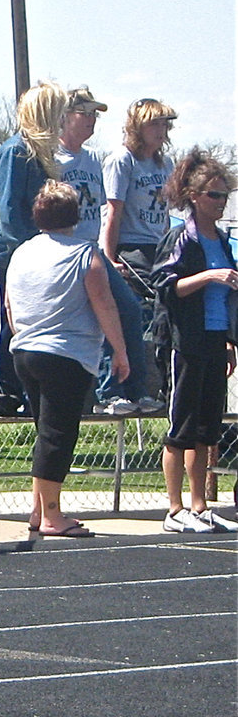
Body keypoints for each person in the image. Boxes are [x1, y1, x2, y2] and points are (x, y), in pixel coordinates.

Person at [6, 180, 130, 537]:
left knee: (44, 431)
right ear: (76, 215)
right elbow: (104, 304)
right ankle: (52, 515)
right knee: (59, 434)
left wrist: (23, 336)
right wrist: (120, 351)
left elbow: (10, 306)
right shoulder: (84, 254)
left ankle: (37, 509)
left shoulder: (22, 252)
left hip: (26, 351)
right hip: (66, 354)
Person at [56, 87, 163, 415]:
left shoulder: (91, 159)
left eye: (95, 115)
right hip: (65, 253)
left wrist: (106, 254)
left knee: (128, 309)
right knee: (100, 314)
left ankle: (136, 389)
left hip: (93, 252)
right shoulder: (52, 159)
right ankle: (109, 392)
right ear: (64, 117)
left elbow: (100, 211)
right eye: (85, 113)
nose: (92, 121)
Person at [150, 149, 238, 534]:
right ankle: (174, 508)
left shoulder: (222, 240)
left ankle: (200, 505)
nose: (220, 203)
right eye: (213, 196)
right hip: (185, 342)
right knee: (181, 427)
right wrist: (209, 277)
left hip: (215, 339)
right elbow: (166, 287)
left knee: (206, 427)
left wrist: (230, 341)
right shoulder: (181, 238)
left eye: (224, 196)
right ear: (194, 196)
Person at [0, 80, 69, 403]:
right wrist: (30, 251)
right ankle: (6, 388)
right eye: (59, 113)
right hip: (5, 256)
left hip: (32, 253)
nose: (63, 122)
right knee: (6, 317)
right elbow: (9, 212)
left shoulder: (44, 155)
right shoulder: (15, 152)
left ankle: (28, 389)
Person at [102, 98, 177, 388]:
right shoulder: (122, 160)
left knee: (170, 302)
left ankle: (165, 379)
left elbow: (168, 213)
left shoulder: (165, 163)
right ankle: (122, 386)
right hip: (131, 245)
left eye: (163, 124)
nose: (160, 131)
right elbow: (113, 211)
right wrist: (110, 256)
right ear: (138, 127)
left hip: (158, 244)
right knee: (152, 298)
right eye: (153, 124)